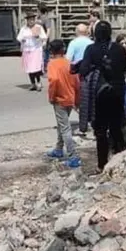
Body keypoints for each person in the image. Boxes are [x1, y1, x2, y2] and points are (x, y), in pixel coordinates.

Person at [78, 21, 126, 172]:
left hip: (100, 94)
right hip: (117, 92)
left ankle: (102, 164)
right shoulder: (119, 49)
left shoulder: (91, 49)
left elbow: (83, 70)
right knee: (116, 127)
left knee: (100, 131)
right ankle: (120, 161)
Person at [45, 39, 81, 168]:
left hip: (59, 99)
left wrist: (51, 96)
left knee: (65, 128)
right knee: (62, 124)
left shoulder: (52, 64)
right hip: (70, 98)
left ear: (51, 51)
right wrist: (77, 100)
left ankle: (72, 156)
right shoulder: (68, 63)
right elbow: (77, 83)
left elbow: (53, 80)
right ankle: (59, 149)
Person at [17, 14, 47, 91]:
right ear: (27, 20)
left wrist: (38, 37)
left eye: (33, 20)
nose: (31, 21)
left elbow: (44, 37)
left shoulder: (38, 27)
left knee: (36, 67)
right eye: (30, 20)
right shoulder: (24, 28)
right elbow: (19, 37)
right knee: (29, 68)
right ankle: (33, 83)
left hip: (36, 49)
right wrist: (22, 40)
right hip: (27, 50)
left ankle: (39, 82)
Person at [37, 3, 54, 74]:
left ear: (40, 10)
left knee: (45, 54)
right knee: (39, 54)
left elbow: (48, 30)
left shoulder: (46, 18)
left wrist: (45, 39)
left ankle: (45, 68)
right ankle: (40, 68)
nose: (37, 11)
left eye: (37, 9)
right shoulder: (38, 18)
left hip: (43, 39)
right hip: (38, 39)